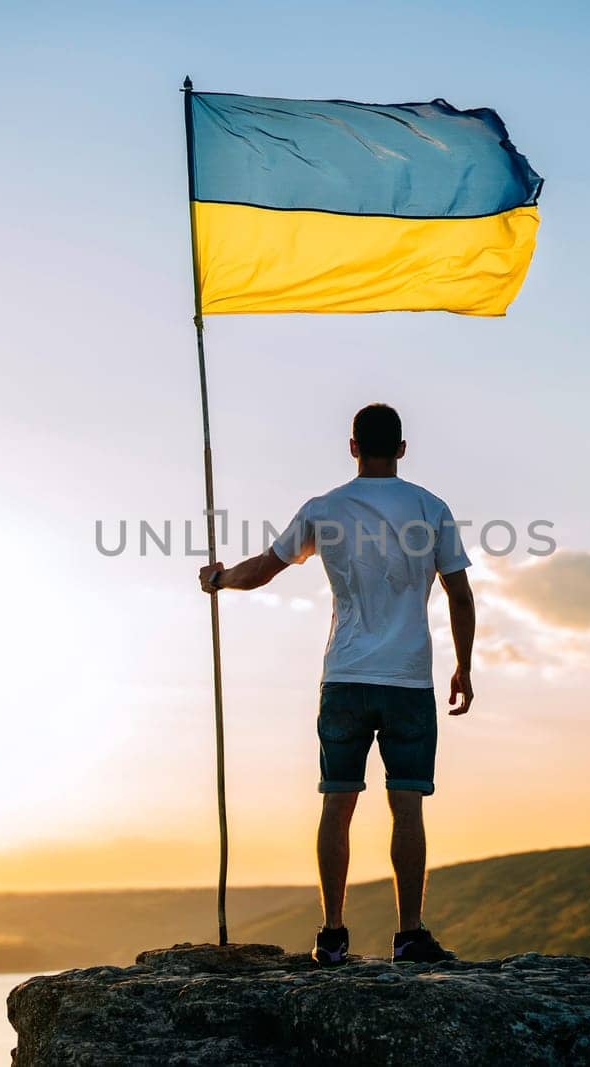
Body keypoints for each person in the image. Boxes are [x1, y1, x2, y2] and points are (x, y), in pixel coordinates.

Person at [197, 403, 476, 966]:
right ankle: (410, 935)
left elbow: (266, 569)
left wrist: (220, 580)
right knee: (408, 806)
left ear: (352, 446)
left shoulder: (324, 510)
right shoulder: (432, 508)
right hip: (408, 679)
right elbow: (460, 595)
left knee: (336, 803)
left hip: (345, 677)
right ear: (401, 448)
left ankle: (331, 935)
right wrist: (464, 668)